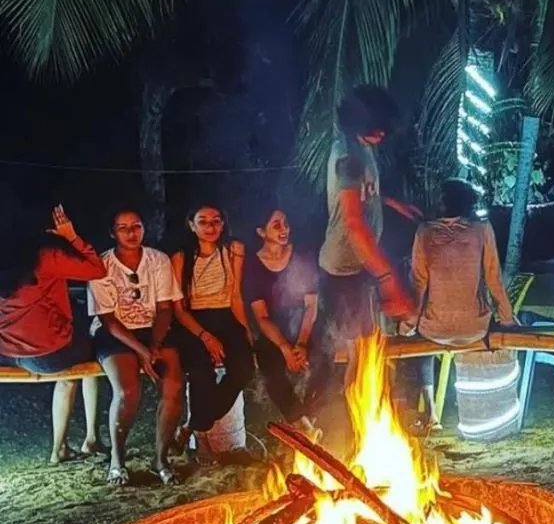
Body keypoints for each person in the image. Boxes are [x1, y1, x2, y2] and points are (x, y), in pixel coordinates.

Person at [310, 85, 417, 416]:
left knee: (369, 348)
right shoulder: (347, 159)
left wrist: (389, 201)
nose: (382, 132)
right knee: (362, 353)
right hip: (343, 269)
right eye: (376, 126)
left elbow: (359, 196)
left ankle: (364, 423)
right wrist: (388, 279)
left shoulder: (361, 146)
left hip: (359, 268)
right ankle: (355, 426)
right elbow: (354, 226)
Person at [0, 203, 105, 464]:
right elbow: (97, 270)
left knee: (70, 371)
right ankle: (90, 438)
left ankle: (60, 448)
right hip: (45, 354)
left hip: (5, 351)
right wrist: (70, 236)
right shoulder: (47, 256)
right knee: (95, 355)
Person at [88, 208, 185, 486]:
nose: (131, 233)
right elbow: (108, 321)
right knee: (128, 390)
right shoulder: (101, 265)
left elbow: (165, 309)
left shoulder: (158, 260)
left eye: (136, 226)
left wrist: (152, 345)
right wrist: (142, 352)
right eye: (123, 228)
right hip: (115, 332)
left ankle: (161, 459)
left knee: (174, 385)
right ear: (112, 232)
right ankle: (118, 461)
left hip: (153, 328)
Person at [408, 177, 515, 428]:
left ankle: (431, 413)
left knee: (418, 346)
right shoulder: (482, 229)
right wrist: (508, 319)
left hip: (433, 330)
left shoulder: (424, 232)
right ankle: (488, 408)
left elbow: (418, 283)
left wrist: (408, 324)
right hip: (476, 327)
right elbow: (493, 278)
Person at [171, 203, 255, 458]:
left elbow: (236, 296)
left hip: (225, 317)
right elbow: (179, 309)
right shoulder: (181, 257)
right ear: (191, 225)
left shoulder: (233, 250)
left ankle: (192, 425)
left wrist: (245, 332)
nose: (211, 227)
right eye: (203, 221)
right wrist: (206, 337)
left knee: (244, 369)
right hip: (193, 322)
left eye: (216, 220)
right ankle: (199, 439)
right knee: (200, 372)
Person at [244, 207, 319, 429]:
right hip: (273, 331)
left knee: (325, 358)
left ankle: (311, 417)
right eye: (276, 225)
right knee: (270, 368)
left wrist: (302, 343)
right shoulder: (253, 266)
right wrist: (285, 348)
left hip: (304, 326)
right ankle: (302, 423)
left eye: (286, 223)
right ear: (261, 231)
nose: (284, 229)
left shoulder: (302, 255)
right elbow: (262, 316)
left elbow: (311, 305)